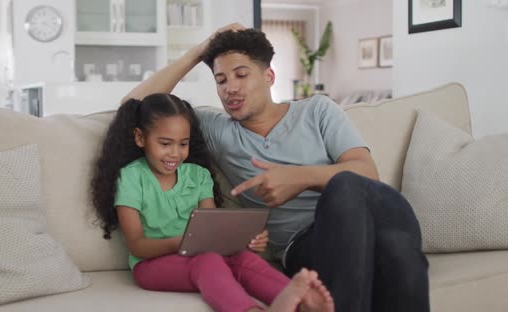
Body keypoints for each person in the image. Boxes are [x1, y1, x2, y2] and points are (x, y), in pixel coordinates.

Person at [121, 24, 430, 312]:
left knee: (367, 211)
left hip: (365, 223)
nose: (230, 88)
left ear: (269, 76)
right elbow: (133, 108)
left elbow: (366, 172)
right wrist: (199, 52)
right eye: (221, 80)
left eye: (241, 75)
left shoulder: (317, 110)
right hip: (305, 245)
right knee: (395, 249)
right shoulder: (218, 130)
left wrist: (301, 178)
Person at [91, 93, 334, 312]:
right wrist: (181, 243)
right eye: (165, 144)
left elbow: (212, 231)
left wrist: (247, 241)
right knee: (207, 261)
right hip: (151, 265)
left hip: (202, 253)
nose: (175, 153)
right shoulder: (132, 177)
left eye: (183, 144)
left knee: (243, 259)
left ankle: (301, 303)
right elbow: (137, 246)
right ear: (140, 138)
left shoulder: (198, 175)